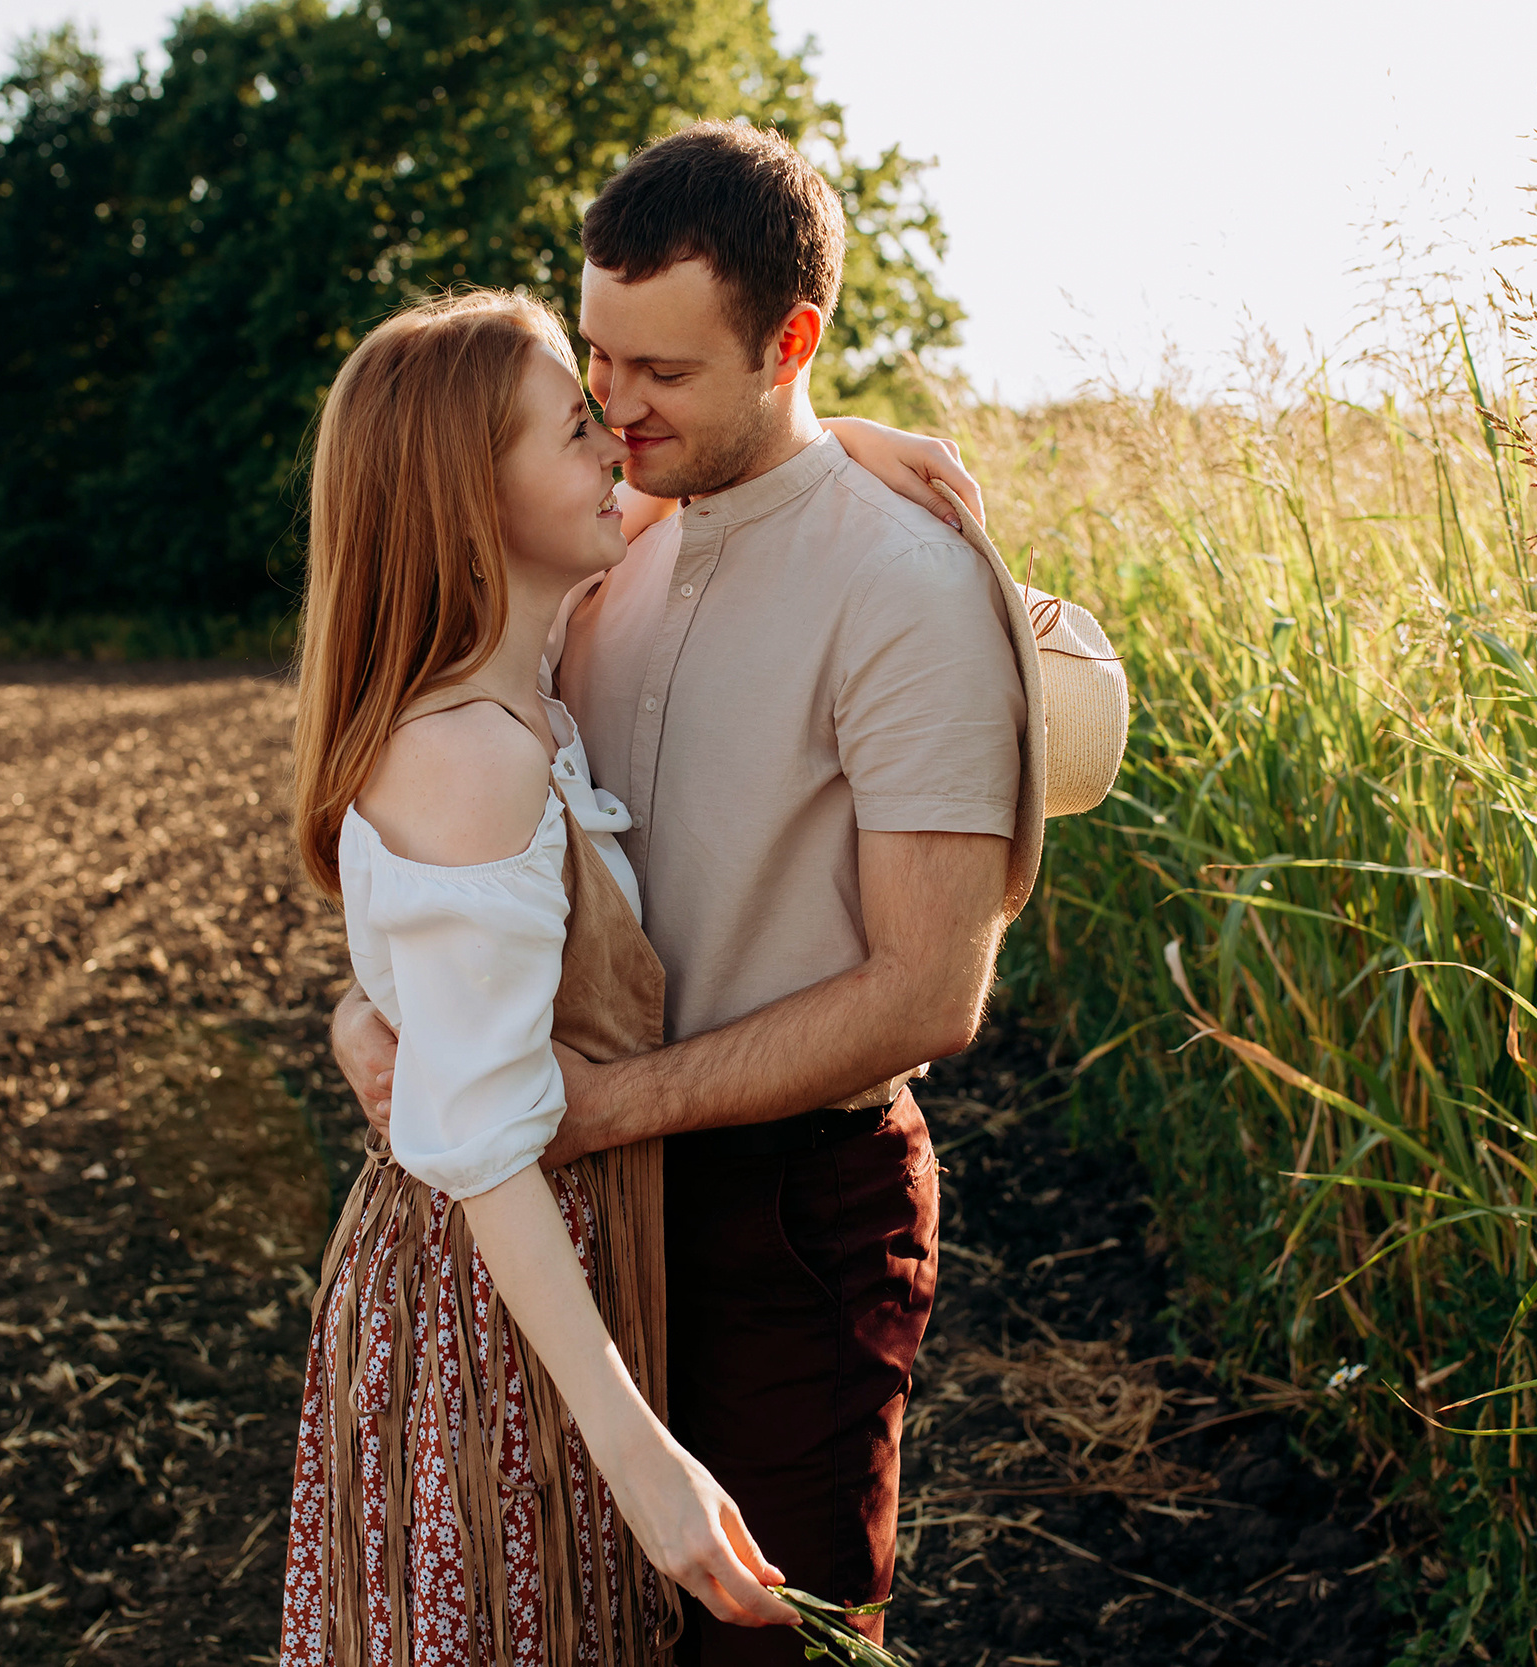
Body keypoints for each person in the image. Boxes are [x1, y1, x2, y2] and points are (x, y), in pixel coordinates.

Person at [331, 120, 1043, 1663]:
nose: (616, 408)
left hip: (790, 1209)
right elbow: (478, 877)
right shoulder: (615, 540)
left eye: (663, 375)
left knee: (764, 1644)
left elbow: (931, 993)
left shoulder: (910, 592)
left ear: (791, 342)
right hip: (590, 1214)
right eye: (599, 360)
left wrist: (590, 1111)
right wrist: (370, 1012)